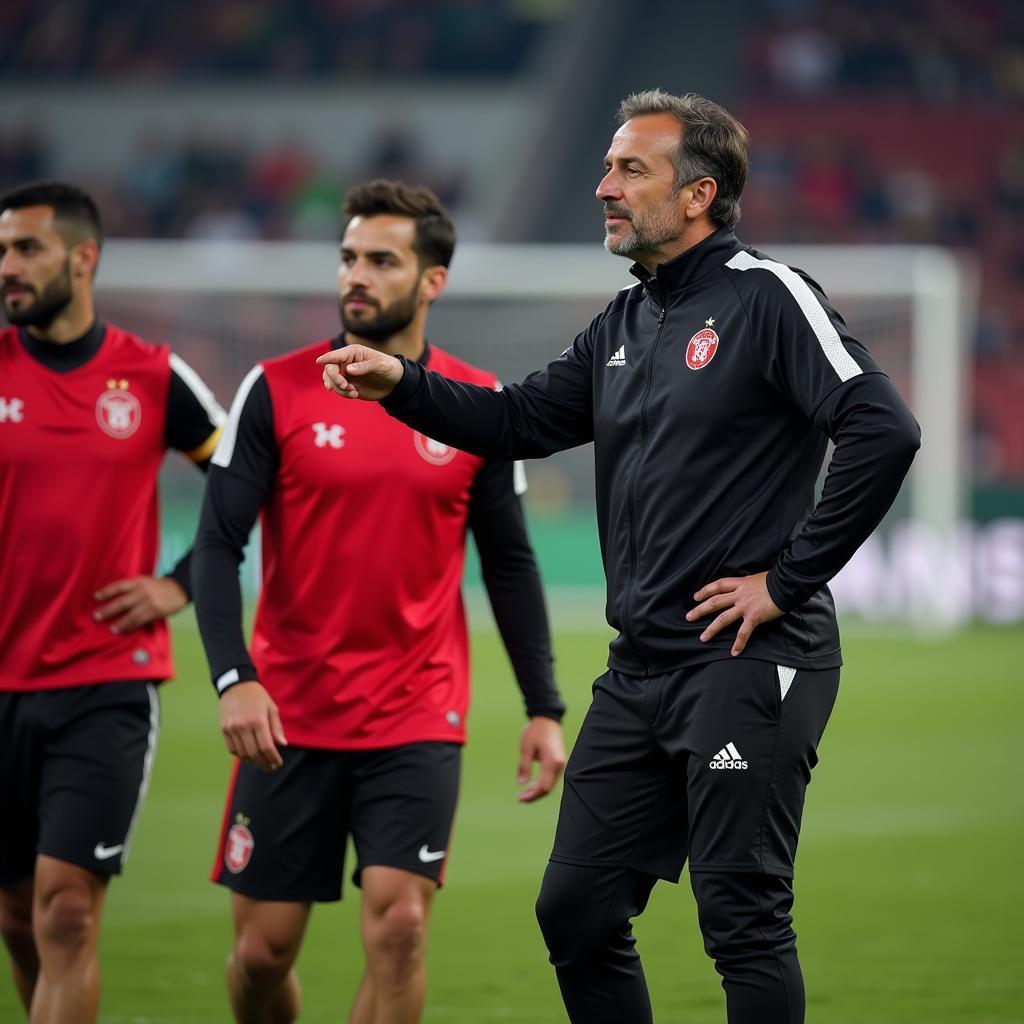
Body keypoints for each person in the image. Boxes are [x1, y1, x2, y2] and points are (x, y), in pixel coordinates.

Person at [319, 91, 921, 1024]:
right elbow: (517, 419)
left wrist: (787, 580)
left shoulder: (767, 295)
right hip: (638, 670)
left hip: (749, 662)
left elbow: (883, 429)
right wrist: (403, 382)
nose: (604, 187)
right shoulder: (627, 321)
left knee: (742, 920)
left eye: (629, 170)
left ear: (698, 194)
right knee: (576, 910)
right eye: (606, 166)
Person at [191, 179, 566, 1024]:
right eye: (349, 258)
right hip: (288, 716)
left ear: (431, 280)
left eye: (382, 261)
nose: (357, 275)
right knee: (260, 955)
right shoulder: (275, 389)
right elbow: (217, 545)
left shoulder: (475, 407)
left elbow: (509, 565)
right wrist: (231, 679)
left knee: (398, 928)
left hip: (416, 713)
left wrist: (544, 707)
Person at [0, 180, 225, 1023]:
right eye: (3, 251)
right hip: (2, 682)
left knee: (64, 909)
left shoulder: (151, 375)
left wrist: (179, 580)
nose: (8, 268)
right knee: (18, 917)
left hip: (104, 682)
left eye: (26, 249)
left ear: (82, 257)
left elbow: (249, 477)